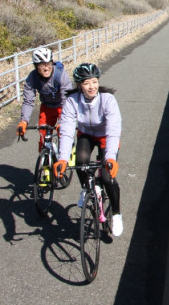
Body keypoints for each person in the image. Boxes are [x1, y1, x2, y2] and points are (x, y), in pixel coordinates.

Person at [53, 63, 123, 237]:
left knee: (108, 178)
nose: (91, 86)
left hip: (106, 136)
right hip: (85, 134)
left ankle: (116, 214)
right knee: (81, 162)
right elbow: (67, 130)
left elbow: (113, 131)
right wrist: (62, 159)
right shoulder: (72, 101)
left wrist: (111, 158)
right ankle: (86, 188)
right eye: (86, 83)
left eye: (94, 81)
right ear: (79, 85)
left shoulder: (107, 100)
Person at [16, 47, 73, 151]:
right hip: (47, 108)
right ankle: (45, 163)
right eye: (42, 65)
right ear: (36, 66)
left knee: (64, 136)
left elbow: (67, 100)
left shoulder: (61, 75)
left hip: (62, 107)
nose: (46, 68)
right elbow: (28, 102)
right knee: (43, 138)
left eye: (48, 64)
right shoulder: (32, 78)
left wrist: (63, 121)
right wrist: (24, 121)